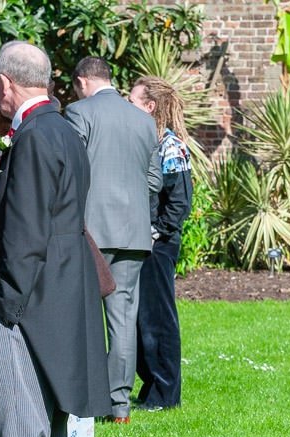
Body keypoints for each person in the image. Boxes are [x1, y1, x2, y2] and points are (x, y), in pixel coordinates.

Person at [0, 41, 110, 437]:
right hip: (61, 293)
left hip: (29, 302)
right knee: (47, 423)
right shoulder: (63, 128)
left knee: (17, 429)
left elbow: (27, 233)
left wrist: (6, 306)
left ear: (5, 83)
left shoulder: (33, 136)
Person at [65, 56, 162, 424]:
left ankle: (83, 401)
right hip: (134, 230)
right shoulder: (143, 120)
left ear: (81, 81)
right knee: (123, 317)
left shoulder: (78, 112)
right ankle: (119, 406)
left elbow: (70, 171)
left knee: (84, 313)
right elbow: (154, 181)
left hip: (92, 229)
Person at [128, 76, 193, 411]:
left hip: (159, 246)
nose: (127, 106)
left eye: (133, 101)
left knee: (158, 319)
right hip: (142, 241)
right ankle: (151, 386)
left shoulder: (171, 147)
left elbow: (180, 202)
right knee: (140, 318)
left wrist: (157, 231)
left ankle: (166, 394)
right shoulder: (142, 144)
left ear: (149, 107)